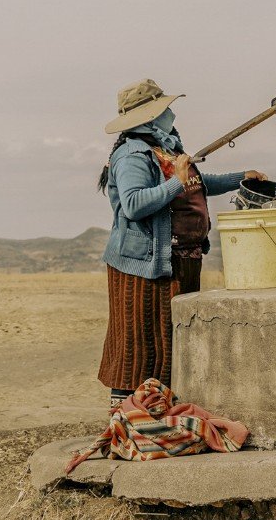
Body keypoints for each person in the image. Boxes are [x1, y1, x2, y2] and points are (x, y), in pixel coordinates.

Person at [96, 79, 266, 409]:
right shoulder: (133, 155)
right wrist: (175, 182)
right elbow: (134, 204)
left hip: (179, 261)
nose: (171, 113)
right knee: (140, 346)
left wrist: (240, 178)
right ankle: (128, 419)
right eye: (164, 108)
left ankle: (160, 415)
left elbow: (197, 184)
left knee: (170, 344)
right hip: (145, 268)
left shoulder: (168, 147)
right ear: (149, 116)